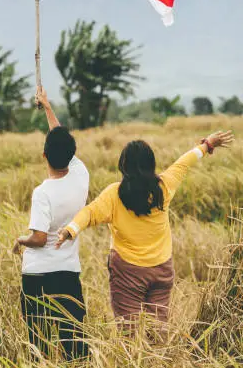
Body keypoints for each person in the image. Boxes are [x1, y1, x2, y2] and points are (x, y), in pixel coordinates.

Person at [57, 130, 233, 326]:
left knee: (129, 331)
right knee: (158, 329)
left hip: (127, 272)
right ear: (151, 165)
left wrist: (70, 229)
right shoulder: (164, 187)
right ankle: (158, 357)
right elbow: (184, 162)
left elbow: (89, 213)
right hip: (162, 269)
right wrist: (207, 145)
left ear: (123, 166)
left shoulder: (114, 194)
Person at [13, 87, 89, 359]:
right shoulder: (81, 176)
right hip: (68, 273)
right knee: (75, 344)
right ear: (72, 153)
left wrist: (20, 240)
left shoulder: (43, 192)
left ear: (44, 155)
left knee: (40, 345)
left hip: (38, 277)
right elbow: (61, 139)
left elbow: (39, 238)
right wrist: (47, 107)